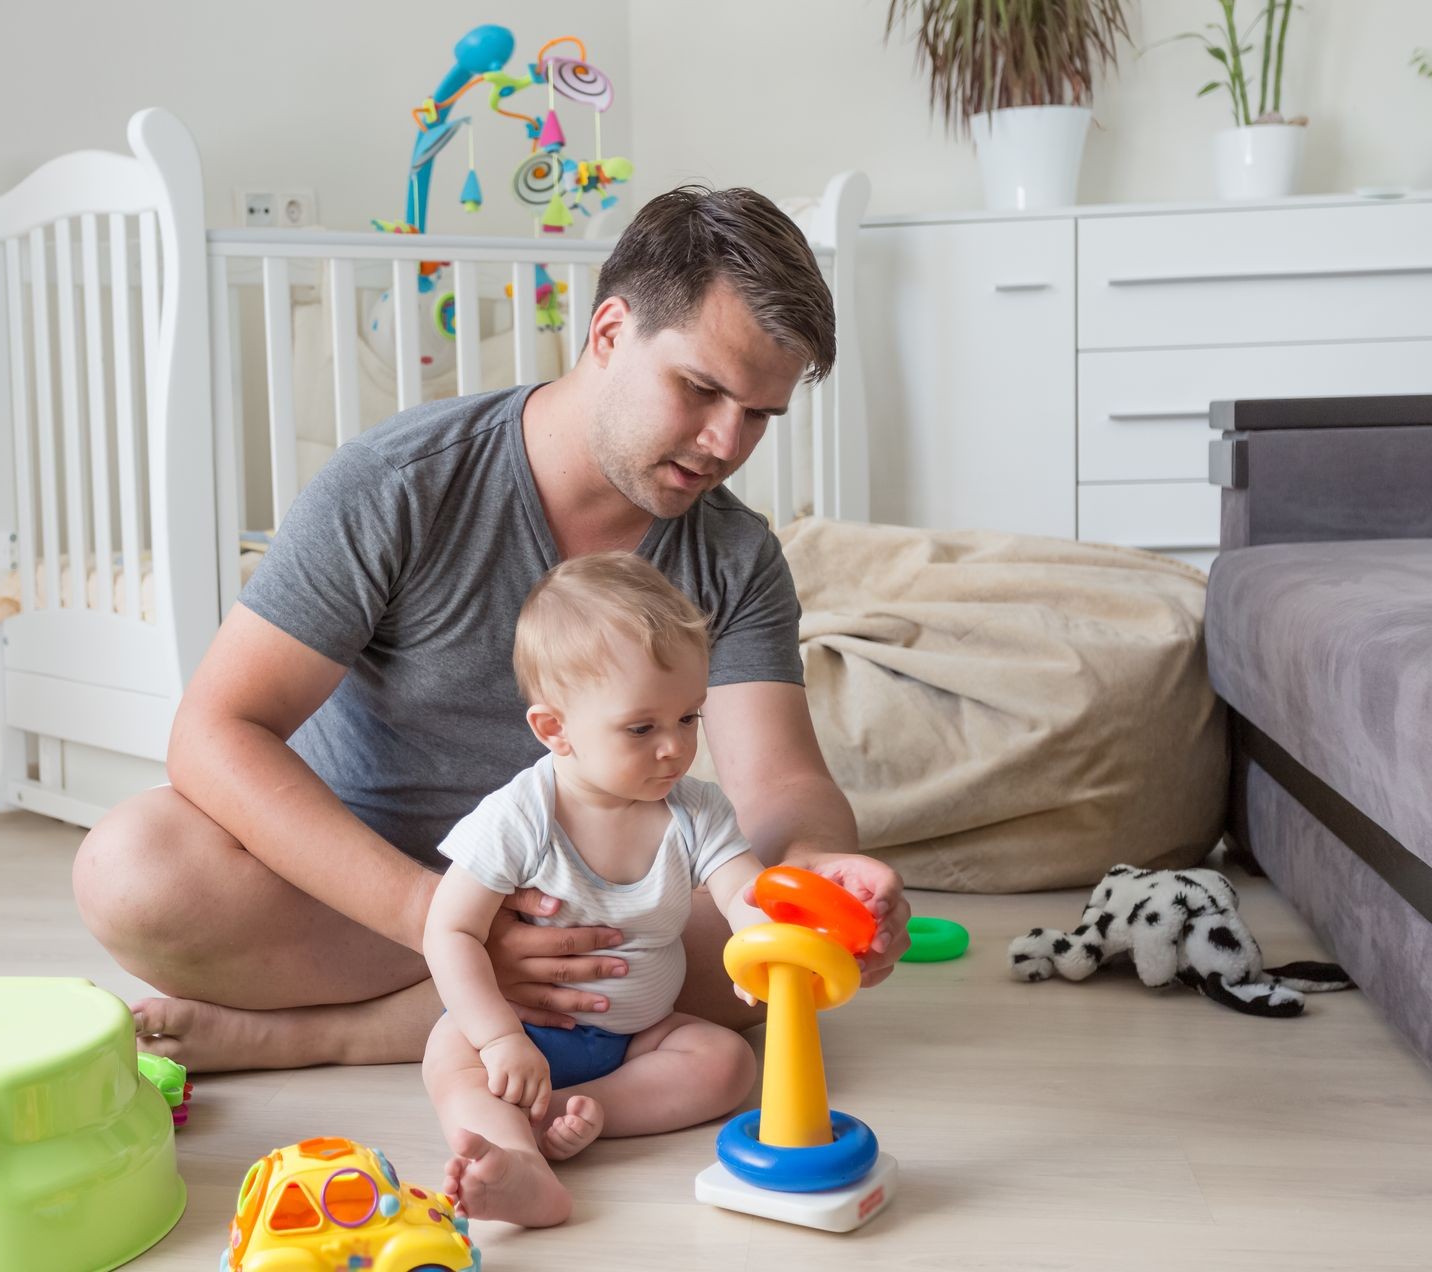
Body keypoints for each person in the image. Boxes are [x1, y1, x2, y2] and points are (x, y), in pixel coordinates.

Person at [72, 185, 911, 1074]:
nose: (723, 443)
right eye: (701, 389)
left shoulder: (735, 554)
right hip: (363, 887)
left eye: (758, 416)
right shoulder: (398, 483)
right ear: (610, 331)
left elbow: (780, 783)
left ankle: (329, 1035)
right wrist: (443, 919)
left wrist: (818, 871)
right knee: (131, 869)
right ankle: (469, 987)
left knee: (755, 963)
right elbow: (213, 734)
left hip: (590, 905)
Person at [425, 553, 789, 1227]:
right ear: (554, 729)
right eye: (642, 727)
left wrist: (762, 941)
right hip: (526, 1032)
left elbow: (745, 890)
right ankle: (519, 1166)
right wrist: (500, 1037)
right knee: (451, 1056)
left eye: (689, 719)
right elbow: (449, 931)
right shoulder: (520, 816)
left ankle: (578, 1116)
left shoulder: (695, 809)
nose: (673, 749)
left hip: (639, 1035)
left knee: (726, 1063)